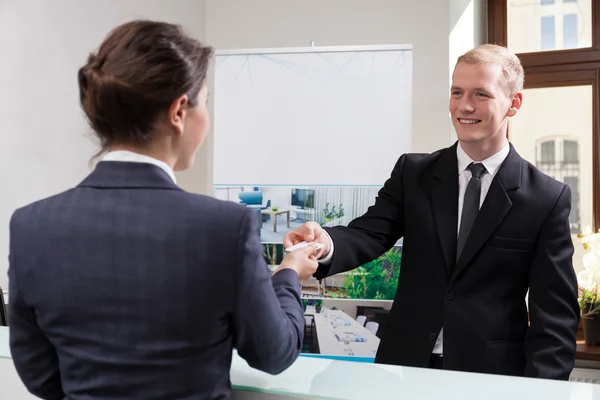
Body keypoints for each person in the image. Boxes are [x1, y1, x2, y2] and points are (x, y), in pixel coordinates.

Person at [8, 20, 318, 400]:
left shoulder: (30, 226)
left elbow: (39, 374)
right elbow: (276, 353)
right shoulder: (224, 227)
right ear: (178, 112)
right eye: (204, 102)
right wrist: (288, 273)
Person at [284, 44, 580, 380]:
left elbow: (555, 317)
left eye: (481, 94)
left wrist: (543, 392)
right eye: (457, 92)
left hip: (491, 377)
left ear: (514, 103)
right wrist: (324, 242)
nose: (464, 106)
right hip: (403, 366)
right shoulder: (413, 173)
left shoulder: (546, 198)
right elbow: (368, 233)